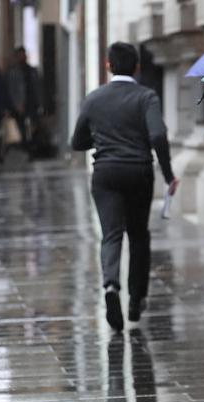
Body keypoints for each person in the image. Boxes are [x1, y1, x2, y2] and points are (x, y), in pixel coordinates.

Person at [71, 41, 179, 332]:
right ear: (137, 67)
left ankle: (110, 286)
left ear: (108, 65)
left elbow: (77, 142)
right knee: (139, 235)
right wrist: (168, 175)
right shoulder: (146, 97)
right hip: (139, 172)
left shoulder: (94, 99)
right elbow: (157, 135)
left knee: (111, 234)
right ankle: (136, 300)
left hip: (105, 173)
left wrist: (104, 139)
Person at [6, 47, 41, 159]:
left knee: (34, 126)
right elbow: (11, 89)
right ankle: (26, 147)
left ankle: (32, 148)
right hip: (20, 105)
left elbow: (38, 87)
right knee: (22, 128)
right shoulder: (13, 72)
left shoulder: (32, 71)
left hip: (32, 103)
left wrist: (40, 102)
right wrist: (17, 104)